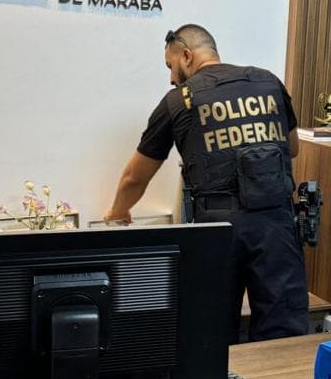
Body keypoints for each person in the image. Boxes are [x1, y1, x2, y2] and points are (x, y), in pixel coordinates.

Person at [104, 24, 308, 341]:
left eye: (170, 66)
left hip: (218, 230)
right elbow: (292, 147)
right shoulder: (268, 82)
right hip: (276, 224)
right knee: (283, 333)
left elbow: (135, 178)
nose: (171, 78)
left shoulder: (178, 101)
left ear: (186, 55)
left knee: (212, 333)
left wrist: (117, 213)